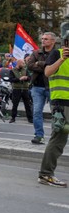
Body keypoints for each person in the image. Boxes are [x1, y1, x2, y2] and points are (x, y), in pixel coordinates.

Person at [37, 35, 69, 187]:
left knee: (59, 139)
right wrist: (62, 59)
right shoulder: (58, 54)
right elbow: (47, 72)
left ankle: (46, 173)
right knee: (58, 139)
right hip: (62, 104)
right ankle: (46, 174)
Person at [27, 32, 61, 144]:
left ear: (53, 41)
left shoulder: (57, 53)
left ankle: (55, 136)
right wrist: (47, 66)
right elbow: (30, 65)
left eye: (46, 39)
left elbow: (55, 69)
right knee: (36, 112)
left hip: (52, 87)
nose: (43, 40)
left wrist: (40, 64)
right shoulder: (36, 52)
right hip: (37, 87)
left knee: (55, 113)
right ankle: (39, 135)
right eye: (42, 39)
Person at [9, 57, 33, 124]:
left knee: (27, 104)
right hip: (16, 89)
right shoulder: (12, 70)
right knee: (15, 104)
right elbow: (11, 79)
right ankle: (13, 118)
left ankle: (30, 118)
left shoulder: (25, 70)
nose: (24, 64)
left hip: (25, 89)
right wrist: (19, 79)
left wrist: (26, 77)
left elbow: (30, 77)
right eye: (23, 63)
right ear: (19, 63)